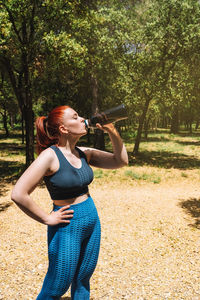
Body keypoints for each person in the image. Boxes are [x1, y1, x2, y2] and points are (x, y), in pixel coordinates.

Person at [11, 105, 128, 300]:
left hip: (92, 222)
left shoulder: (83, 153)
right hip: (67, 226)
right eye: (75, 117)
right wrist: (47, 218)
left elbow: (120, 160)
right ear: (64, 129)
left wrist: (112, 130)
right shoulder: (49, 156)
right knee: (56, 285)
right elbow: (18, 193)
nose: (82, 119)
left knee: (83, 280)